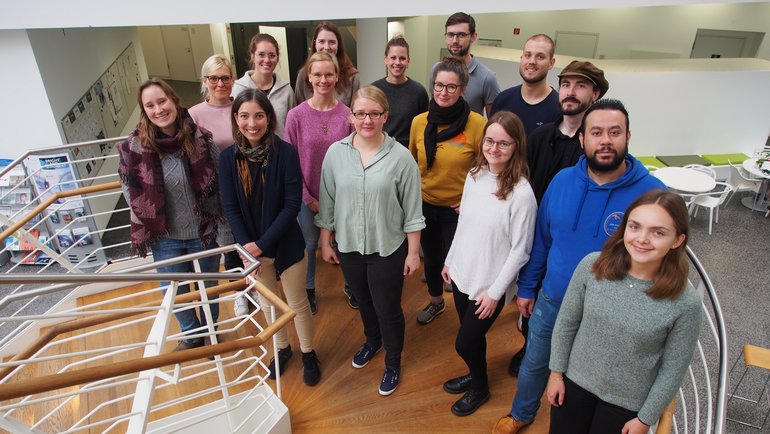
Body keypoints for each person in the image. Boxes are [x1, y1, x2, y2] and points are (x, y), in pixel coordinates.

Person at [492, 99, 666, 434]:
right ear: (582, 139)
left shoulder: (651, 194)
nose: (605, 140)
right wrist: (528, 288)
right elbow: (542, 240)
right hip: (553, 299)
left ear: (628, 137)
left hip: (608, 314)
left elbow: (661, 258)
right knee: (534, 363)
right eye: (596, 132)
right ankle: (521, 413)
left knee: (583, 382)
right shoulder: (561, 181)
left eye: (614, 132)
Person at [547, 190, 701, 434]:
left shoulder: (686, 303)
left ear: (677, 240)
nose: (642, 239)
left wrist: (645, 418)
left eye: (658, 232)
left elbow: (673, 369)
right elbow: (566, 322)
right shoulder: (591, 266)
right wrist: (556, 373)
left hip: (626, 405)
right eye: (635, 226)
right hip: (573, 385)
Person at [316, 86, 424, 396]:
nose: (367, 120)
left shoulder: (401, 158)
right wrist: (326, 242)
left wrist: (413, 253)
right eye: (360, 113)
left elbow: (413, 211)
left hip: (387, 248)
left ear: (385, 116)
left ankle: (393, 361)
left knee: (388, 307)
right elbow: (328, 201)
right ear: (350, 116)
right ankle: (372, 341)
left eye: (374, 114)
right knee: (363, 301)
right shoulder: (336, 153)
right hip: (349, 246)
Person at [507, 59, 609, 378]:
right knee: (531, 303)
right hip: (535, 238)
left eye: (580, 86)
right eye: (566, 84)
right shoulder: (539, 138)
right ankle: (529, 349)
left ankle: (563, 365)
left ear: (595, 94)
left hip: (573, 244)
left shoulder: (596, 149)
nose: (570, 91)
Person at [219, 89, 320, 386]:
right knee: (268, 305)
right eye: (245, 116)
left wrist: (260, 244)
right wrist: (249, 248)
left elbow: (291, 205)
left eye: (259, 116)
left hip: (286, 244)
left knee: (297, 303)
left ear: (269, 118)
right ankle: (282, 349)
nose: (252, 123)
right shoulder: (227, 159)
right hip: (252, 248)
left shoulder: (286, 152)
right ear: (236, 119)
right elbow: (230, 207)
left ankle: (309, 353)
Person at [118, 78, 225, 353]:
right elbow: (130, 189)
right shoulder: (134, 148)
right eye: (150, 105)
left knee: (207, 289)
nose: (158, 109)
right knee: (174, 291)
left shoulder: (200, 138)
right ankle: (192, 335)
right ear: (144, 111)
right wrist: (149, 216)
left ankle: (211, 333)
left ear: (174, 101)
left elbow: (218, 185)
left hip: (202, 233)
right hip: (165, 237)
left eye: (162, 101)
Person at [440, 111, 537, 416]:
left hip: (490, 284)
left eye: (503, 144)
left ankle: (480, 387)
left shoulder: (522, 194)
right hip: (462, 272)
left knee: (464, 343)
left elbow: (521, 251)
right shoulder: (474, 176)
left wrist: (495, 293)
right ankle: (476, 374)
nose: (494, 149)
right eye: (490, 141)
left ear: (516, 147)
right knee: (473, 339)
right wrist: (449, 260)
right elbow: (464, 223)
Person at [409, 57, 486, 326]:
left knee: (461, 265)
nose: (443, 92)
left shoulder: (477, 125)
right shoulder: (419, 122)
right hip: (426, 206)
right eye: (439, 85)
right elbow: (413, 163)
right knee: (431, 261)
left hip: (459, 210)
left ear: (463, 89)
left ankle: (465, 316)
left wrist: (470, 201)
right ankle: (436, 302)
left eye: (451, 87)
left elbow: (485, 170)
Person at [285, 52, 354, 314]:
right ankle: (309, 289)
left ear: (337, 77)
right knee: (309, 245)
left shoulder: (348, 115)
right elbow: (291, 162)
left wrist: (339, 199)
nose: (323, 79)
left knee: (345, 243)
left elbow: (353, 159)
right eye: (318, 74)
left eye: (329, 74)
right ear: (308, 77)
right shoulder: (296, 116)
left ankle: (351, 286)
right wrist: (308, 198)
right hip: (307, 195)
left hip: (341, 197)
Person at [188, 54, 242, 279]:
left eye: (225, 78)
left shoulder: (241, 107)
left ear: (233, 79)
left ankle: (257, 285)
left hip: (246, 184)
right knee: (229, 247)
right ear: (204, 80)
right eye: (214, 78)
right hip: (217, 193)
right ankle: (239, 291)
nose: (220, 84)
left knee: (251, 239)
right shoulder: (194, 114)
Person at [428, 12, 500, 117]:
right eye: (450, 35)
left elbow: (493, 121)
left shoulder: (487, 77)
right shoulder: (436, 69)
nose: (454, 41)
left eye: (461, 35)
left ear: (473, 37)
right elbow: (434, 106)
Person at [490, 34, 560, 135]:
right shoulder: (502, 100)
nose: (532, 61)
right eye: (528, 55)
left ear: (551, 63)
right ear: (521, 58)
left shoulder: (558, 108)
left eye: (540, 57)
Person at [232, 33, 295, 139]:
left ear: (277, 58)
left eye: (272, 55)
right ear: (252, 56)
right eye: (261, 54)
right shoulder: (238, 89)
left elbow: (292, 127)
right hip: (248, 153)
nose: (267, 60)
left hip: (279, 152)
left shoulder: (287, 90)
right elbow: (234, 125)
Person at [371, 35, 429, 148]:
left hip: (409, 154)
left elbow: (423, 129)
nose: (397, 62)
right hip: (380, 152)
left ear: (408, 61)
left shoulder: (419, 92)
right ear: (385, 60)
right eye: (393, 58)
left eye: (402, 58)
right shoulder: (374, 90)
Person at [295, 21, 360, 107]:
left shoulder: (352, 76)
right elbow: (299, 109)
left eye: (332, 42)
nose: (326, 47)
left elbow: (356, 111)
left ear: (338, 45)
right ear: (315, 43)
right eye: (321, 41)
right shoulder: (303, 75)